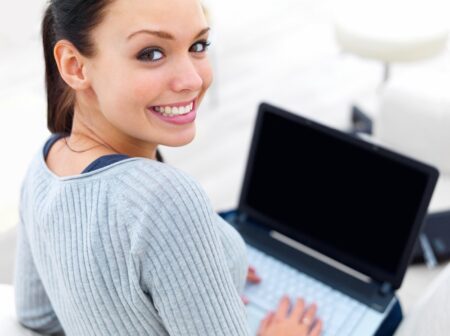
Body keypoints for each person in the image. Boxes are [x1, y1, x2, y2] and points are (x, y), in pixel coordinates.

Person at [13, 0, 322, 335]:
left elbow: (37, 317)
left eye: (198, 46)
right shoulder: (166, 200)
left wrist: (197, 273)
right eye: (151, 53)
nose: (191, 79)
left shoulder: (44, 166)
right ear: (74, 66)